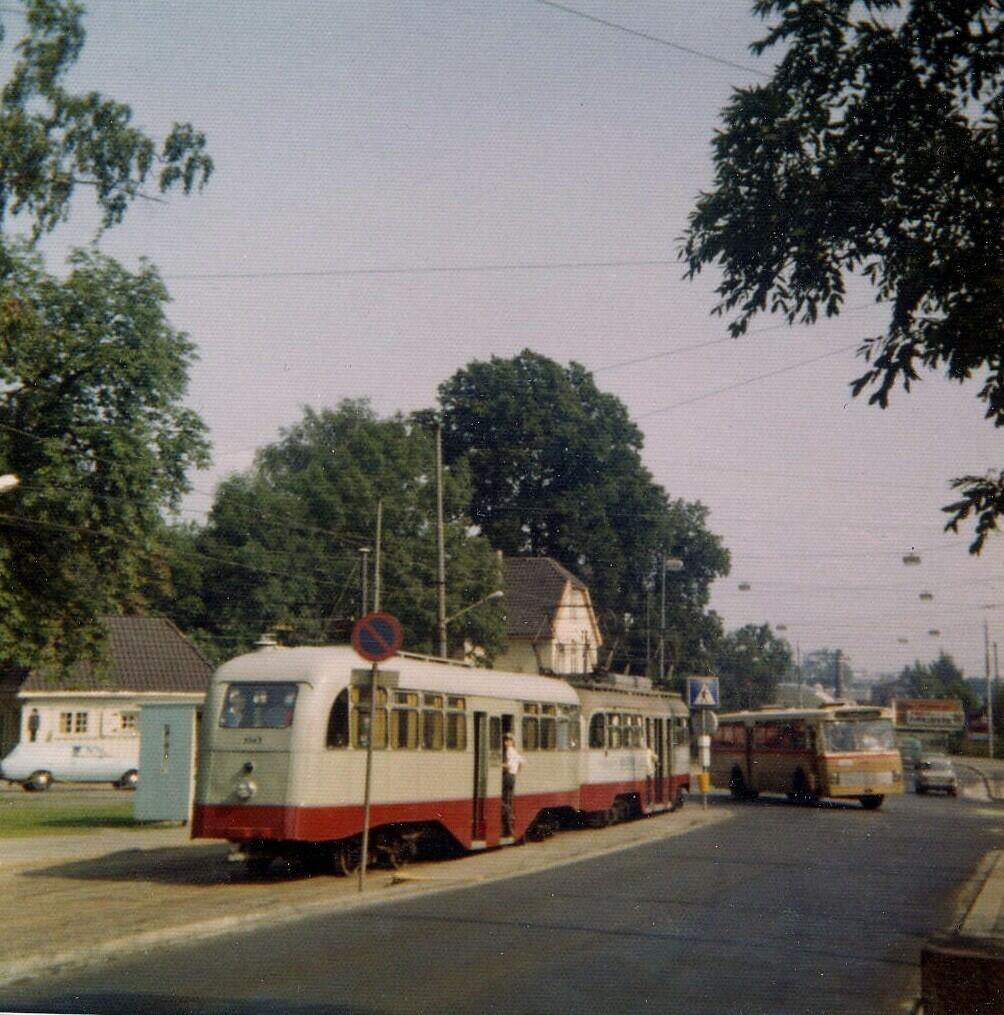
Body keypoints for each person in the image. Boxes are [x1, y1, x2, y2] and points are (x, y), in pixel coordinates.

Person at [501, 731, 524, 838]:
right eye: (505, 741)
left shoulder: (509, 751)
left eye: (507, 741)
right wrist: (517, 771)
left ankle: (509, 828)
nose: (505, 743)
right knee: (508, 801)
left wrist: (497, 764)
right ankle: (509, 827)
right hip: (512, 777)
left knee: (506, 802)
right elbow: (521, 761)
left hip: (508, 777)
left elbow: (508, 765)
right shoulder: (514, 751)